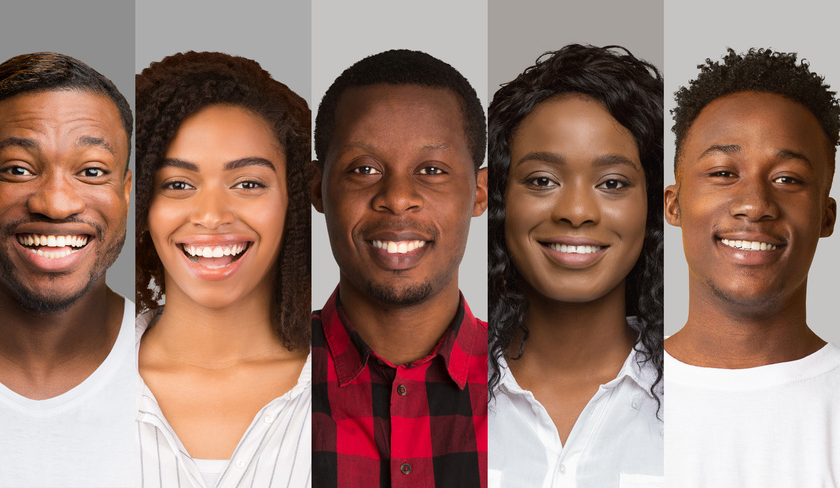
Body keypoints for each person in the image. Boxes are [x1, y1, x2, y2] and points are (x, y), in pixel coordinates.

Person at [483, 44, 665, 487]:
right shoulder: (438, 394)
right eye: (543, 180)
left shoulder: (706, 400)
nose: (577, 210)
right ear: (500, 199)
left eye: (613, 183)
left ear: (654, 207)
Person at [0, 52, 139, 488]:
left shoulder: (183, 366)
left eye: (92, 171)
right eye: (18, 170)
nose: (56, 204)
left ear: (126, 192)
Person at [130, 51, 313, 488]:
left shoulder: (358, 392)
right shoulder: (79, 382)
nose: (211, 215)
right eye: (178, 184)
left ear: (295, 199)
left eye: (248, 183)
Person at [310, 49, 490, 488]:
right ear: (316, 188)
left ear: (481, 193)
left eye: (431, 170)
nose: (396, 197)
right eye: (364, 168)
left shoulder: (529, 380)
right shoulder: (269, 374)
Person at [662, 47, 840, 486]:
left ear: (826, 217)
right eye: (723, 172)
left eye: (788, 179)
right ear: (674, 204)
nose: (755, 204)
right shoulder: (605, 394)